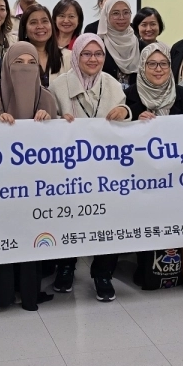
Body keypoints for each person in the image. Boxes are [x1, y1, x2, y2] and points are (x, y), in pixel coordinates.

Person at [0, 42, 61, 310]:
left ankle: (30, 292)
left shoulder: (46, 97)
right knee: (3, 236)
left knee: (33, 236)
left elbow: (57, 146)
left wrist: (49, 124)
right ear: (5, 64)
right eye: (18, 62)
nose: (25, 68)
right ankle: (1, 292)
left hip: (36, 185)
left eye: (31, 63)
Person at [50, 33, 130, 299]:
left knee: (110, 219)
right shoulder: (58, 86)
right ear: (76, 55)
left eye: (98, 54)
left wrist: (125, 112)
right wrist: (58, 119)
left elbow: (127, 119)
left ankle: (103, 273)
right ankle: (66, 267)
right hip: (70, 169)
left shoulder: (113, 85)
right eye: (87, 53)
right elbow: (49, 121)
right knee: (69, 218)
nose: (93, 59)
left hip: (107, 169)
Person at [125, 42, 183, 119]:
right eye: (152, 64)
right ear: (142, 67)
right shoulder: (128, 96)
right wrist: (137, 123)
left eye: (163, 63)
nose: (159, 69)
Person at [19, 3, 67, 85]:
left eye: (45, 21)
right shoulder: (15, 58)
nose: (40, 26)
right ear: (25, 30)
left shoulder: (68, 57)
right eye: (33, 22)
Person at [98, 0, 141, 87]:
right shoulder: (98, 45)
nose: (121, 17)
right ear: (106, 15)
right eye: (115, 13)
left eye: (126, 12)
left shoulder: (141, 46)